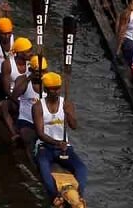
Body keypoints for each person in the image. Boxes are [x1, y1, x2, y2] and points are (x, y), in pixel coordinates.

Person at [32, 71, 87, 203]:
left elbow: (74, 126)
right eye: (52, 89)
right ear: (45, 89)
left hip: (64, 147)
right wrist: (57, 143)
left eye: (58, 88)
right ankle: (55, 197)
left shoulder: (66, 103)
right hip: (45, 147)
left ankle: (78, 196)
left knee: (81, 168)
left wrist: (69, 114)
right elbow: (40, 133)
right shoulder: (38, 106)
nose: (56, 92)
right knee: (44, 167)